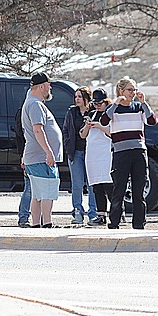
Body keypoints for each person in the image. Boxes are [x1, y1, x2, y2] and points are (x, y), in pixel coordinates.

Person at [99, 77, 156, 230]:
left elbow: (151, 121)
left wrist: (144, 103)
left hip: (139, 152)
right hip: (121, 153)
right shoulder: (114, 109)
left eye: (134, 90)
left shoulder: (138, 107)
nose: (133, 93)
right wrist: (115, 104)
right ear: (121, 91)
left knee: (139, 189)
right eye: (130, 90)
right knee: (119, 188)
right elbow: (104, 121)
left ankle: (139, 223)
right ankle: (114, 222)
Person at [22, 72, 63, 228]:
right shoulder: (35, 105)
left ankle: (36, 224)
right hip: (41, 157)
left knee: (38, 194)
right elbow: (37, 130)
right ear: (41, 86)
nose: (50, 88)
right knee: (47, 190)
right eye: (48, 85)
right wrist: (49, 152)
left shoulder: (31, 103)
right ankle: (47, 223)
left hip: (35, 156)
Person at [62, 87, 94, 225]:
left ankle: (93, 213)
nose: (77, 99)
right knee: (77, 184)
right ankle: (77, 212)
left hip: (91, 152)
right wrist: (68, 144)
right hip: (76, 152)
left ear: (87, 98)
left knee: (92, 184)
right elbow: (66, 130)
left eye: (80, 96)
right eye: (76, 97)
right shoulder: (72, 112)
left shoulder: (93, 112)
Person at [81, 88, 112, 226]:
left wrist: (100, 126)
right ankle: (101, 215)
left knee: (109, 185)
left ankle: (118, 211)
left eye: (100, 103)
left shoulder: (110, 114)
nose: (97, 106)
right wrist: (88, 125)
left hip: (106, 154)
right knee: (96, 186)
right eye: (95, 103)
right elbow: (82, 134)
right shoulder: (92, 114)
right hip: (93, 154)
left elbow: (112, 133)